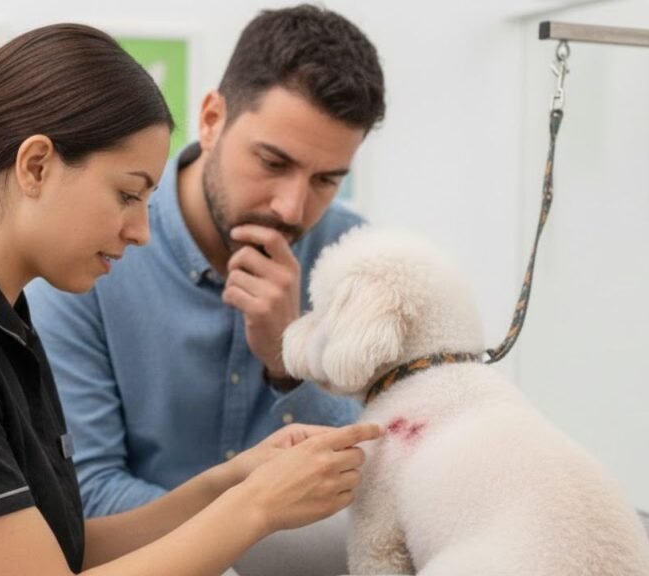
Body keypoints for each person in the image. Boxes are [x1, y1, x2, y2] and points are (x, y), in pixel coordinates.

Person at [0, 23, 381, 576]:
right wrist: (256, 507)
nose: (140, 231)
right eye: (128, 194)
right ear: (37, 165)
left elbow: (62, 548)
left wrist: (229, 482)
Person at [26, 4, 387, 519]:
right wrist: (248, 522)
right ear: (212, 119)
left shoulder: (354, 256)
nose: (291, 206)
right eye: (273, 162)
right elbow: (85, 497)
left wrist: (289, 364)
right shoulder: (89, 253)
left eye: (326, 180)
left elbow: (372, 481)